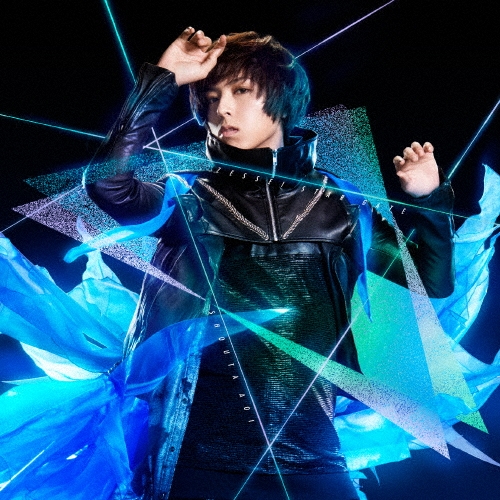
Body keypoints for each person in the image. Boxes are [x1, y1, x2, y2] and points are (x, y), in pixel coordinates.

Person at [85, 27, 455, 500]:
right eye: (211, 97)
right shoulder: (188, 195)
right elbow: (108, 185)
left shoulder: (341, 203)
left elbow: (429, 284)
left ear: (281, 100)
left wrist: (429, 202)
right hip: (199, 452)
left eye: (241, 91)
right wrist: (162, 81)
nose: (222, 109)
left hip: (311, 452)